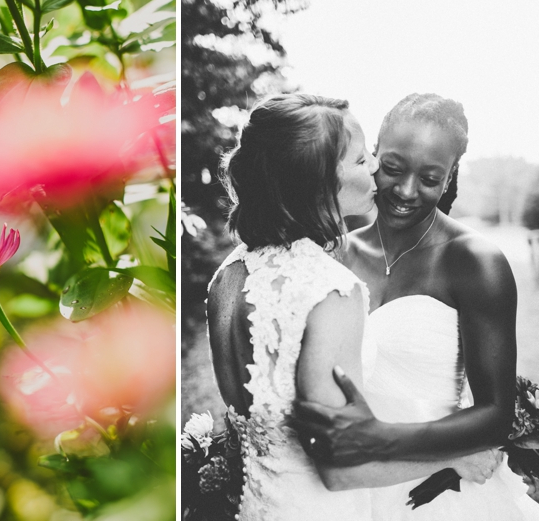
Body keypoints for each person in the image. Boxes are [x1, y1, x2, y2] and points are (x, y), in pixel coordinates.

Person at [206, 93, 499, 520]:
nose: (377, 169)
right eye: (362, 162)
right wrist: (451, 459)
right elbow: (340, 470)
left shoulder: (227, 276)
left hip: (259, 505)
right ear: (319, 180)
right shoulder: (330, 289)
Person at [293, 93, 539, 519]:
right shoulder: (334, 252)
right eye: (392, 168)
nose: (406, 191)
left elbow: (496, 415)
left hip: (440, 490)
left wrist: (380, 437)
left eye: (429, 178)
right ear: (372, 159)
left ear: (449, 178)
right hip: (345, 485)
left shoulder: (475, 262)